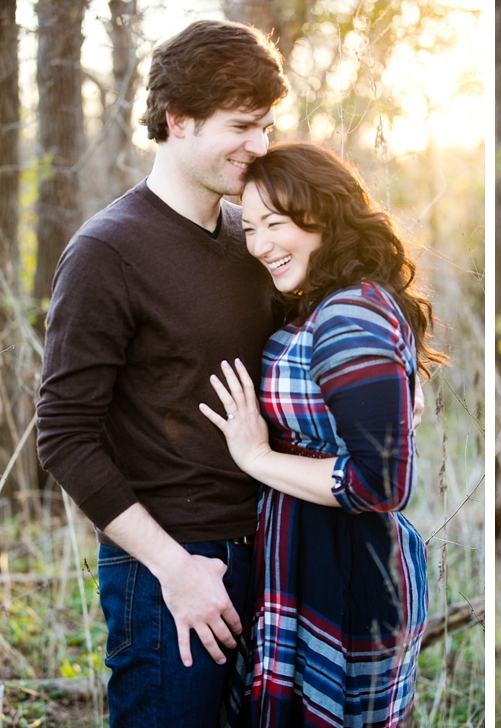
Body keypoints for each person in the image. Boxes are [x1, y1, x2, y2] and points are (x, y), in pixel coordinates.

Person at [35, 19, 289, 727]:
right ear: (178, 120)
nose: (260, 145)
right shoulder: (105, 253)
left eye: (267, 125)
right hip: (167, 570)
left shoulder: (255, 238)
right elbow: (63, 435)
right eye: (241, 125)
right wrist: (174, 569)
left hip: (272, 551)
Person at [199, 141, 441, 727]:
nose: (259, 246)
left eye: (275, 224)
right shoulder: (330, 302)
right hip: (309, 557)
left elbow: (381, 483)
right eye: (250, 227)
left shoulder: (349, 314)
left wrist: (257, 456)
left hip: (347, 570)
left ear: (325, 214)